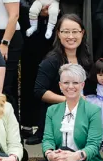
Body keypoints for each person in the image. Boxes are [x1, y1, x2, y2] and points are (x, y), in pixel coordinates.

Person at [18, 0, 85, 136]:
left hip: (62, 29)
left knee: (61, 77)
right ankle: (32, 124)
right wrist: (35, 7)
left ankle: (60, 126)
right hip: (36, 29)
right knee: (33, 76)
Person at [31, 14, 94, 144]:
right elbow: (39, 91)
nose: (71, 36)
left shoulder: (86, 58)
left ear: (82, 33)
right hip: (58, 118)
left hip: (82, 116)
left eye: (75, 31)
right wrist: (69, 100)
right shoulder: (51, 61)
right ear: (58, 34)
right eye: (66, 32)